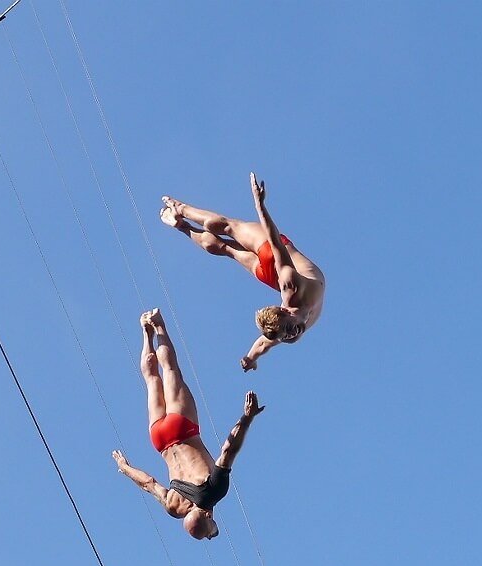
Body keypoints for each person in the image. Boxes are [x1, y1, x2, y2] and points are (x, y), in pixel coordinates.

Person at [113, 308, 263, 540]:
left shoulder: (214, 492)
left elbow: (228, 450)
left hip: (182, 427)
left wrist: (247, 417)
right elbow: (148, 483)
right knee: (152, 380)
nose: (213, 531)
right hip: (160, 439)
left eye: (211, 529)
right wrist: (125, 468)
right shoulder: (173, 508)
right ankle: (146, 334)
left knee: (171, 369)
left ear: (207, 516)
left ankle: (158, 324)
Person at [159, 172, 325, 371]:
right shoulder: (292, 289)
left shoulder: (287, 310)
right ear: (285, 311)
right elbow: (275, 244)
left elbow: (263, 344)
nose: (290, 334)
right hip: (274, 256)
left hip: (271, 275)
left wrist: (250, 358)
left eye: (286, 333)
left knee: (227, 244)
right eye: (287, 332)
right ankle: (182, 217)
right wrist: (260, 206)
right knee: (227, 234)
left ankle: (182, 221)